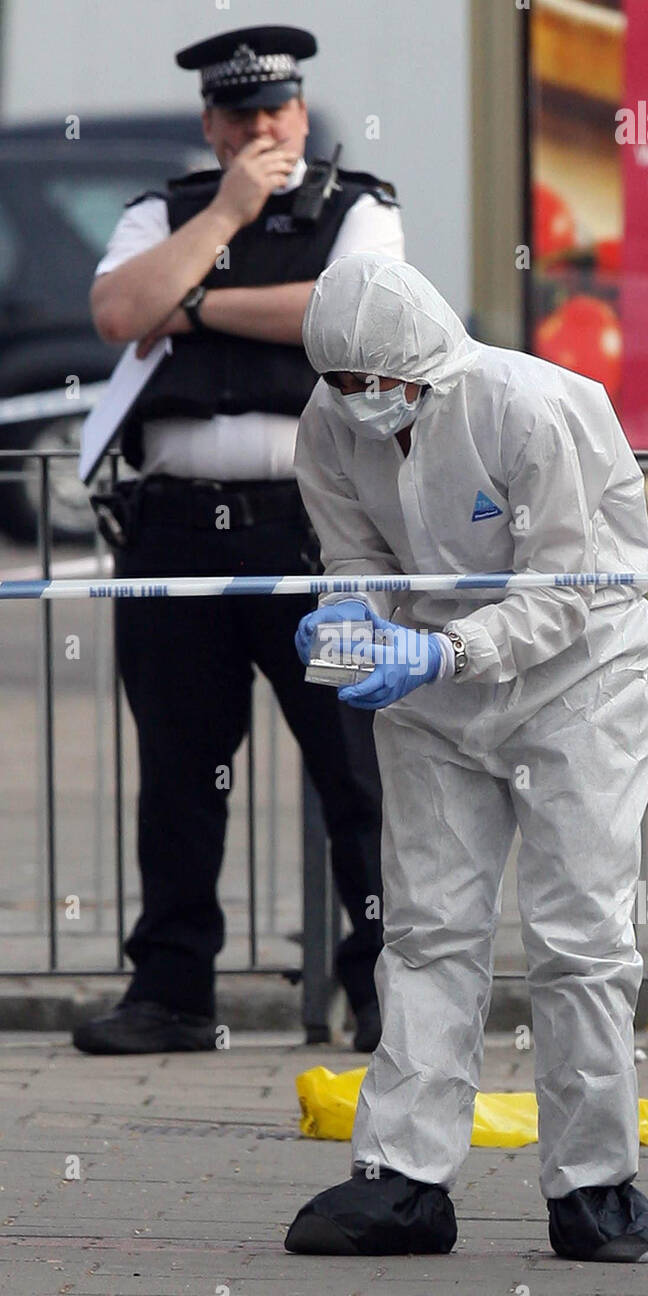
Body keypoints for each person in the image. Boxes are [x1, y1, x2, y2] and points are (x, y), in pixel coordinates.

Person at [285, 252, 648, 1263]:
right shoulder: (327, 424)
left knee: (579, 934)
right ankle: (403, 1179)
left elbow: (568, 587)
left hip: (578, 686)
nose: (366, 405)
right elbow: (356, 558)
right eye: (343, 384)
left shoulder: (533, 406)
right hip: (430, 698)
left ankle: (593, 1184)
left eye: (382, 385)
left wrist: (447, 647)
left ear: (429, 364)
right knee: (425, 929)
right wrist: (349, 626)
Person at [75, 27, 405, 1057]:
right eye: (241, 115)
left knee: (356, 768)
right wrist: (225, 216)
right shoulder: (162, 211)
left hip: (317, 535)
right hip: (175, 530)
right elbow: (121, 308)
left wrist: (199, 304)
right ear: (212, 125)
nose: (264, 129)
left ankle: (387, 990)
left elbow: (344, 320)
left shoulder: (362, 208)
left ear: (302, 114)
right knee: (178, 770)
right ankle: (171, 991)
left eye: (279, 111)